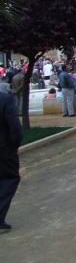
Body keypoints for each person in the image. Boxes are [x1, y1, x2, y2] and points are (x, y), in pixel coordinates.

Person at [0, 92, 22, 233]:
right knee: (10, 178)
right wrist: (13, 146)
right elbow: (15, 128)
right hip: (4, 148)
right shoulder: (5, 99)